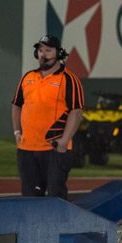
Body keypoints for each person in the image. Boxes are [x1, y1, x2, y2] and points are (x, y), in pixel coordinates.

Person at [11, 34, 85, 200]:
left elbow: (76, 111)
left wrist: (64, 141)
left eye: (48, 50)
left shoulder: (69, 79)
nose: (43, 54)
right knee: (29, 198)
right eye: (40, 50)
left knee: (55, 196)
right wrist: (17, 133)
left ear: (59, 53)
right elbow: (17, 105)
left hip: (54, 149)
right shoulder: (28, 77)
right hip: (27, 149)